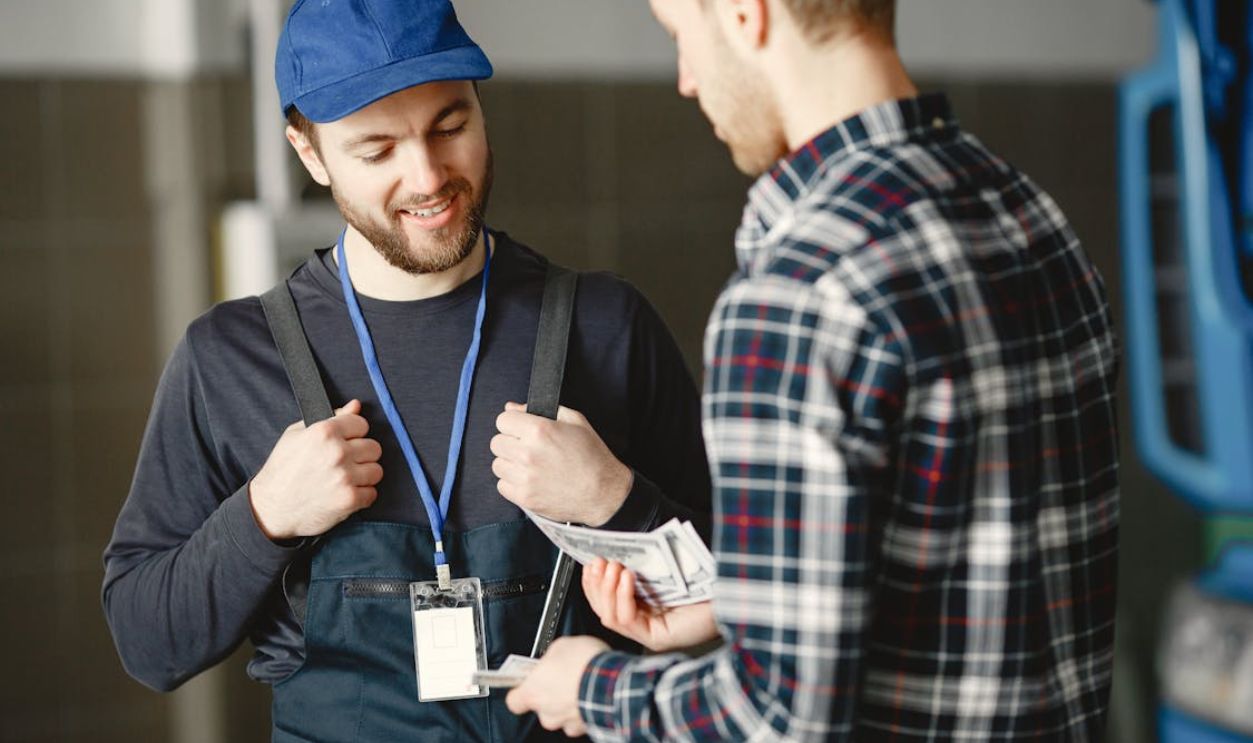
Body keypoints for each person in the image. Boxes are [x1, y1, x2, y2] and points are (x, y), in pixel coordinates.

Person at [503, 0, 1121, 740]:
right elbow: (959, 560)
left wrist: (593, 688)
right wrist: (742, 601)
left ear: (744, 13)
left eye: (680, 38)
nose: (686, 81)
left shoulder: (799, 291)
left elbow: (783, 718)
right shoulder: (1028, 214)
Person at [101, 1, 710, 740]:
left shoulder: (607, 326)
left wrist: (619, 501)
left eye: (450, 126)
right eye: (376, 149)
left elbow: (749, 607)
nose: (427, 176)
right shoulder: (229, 356)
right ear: (309, 151)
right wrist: (262, 515)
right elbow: (147, 643)